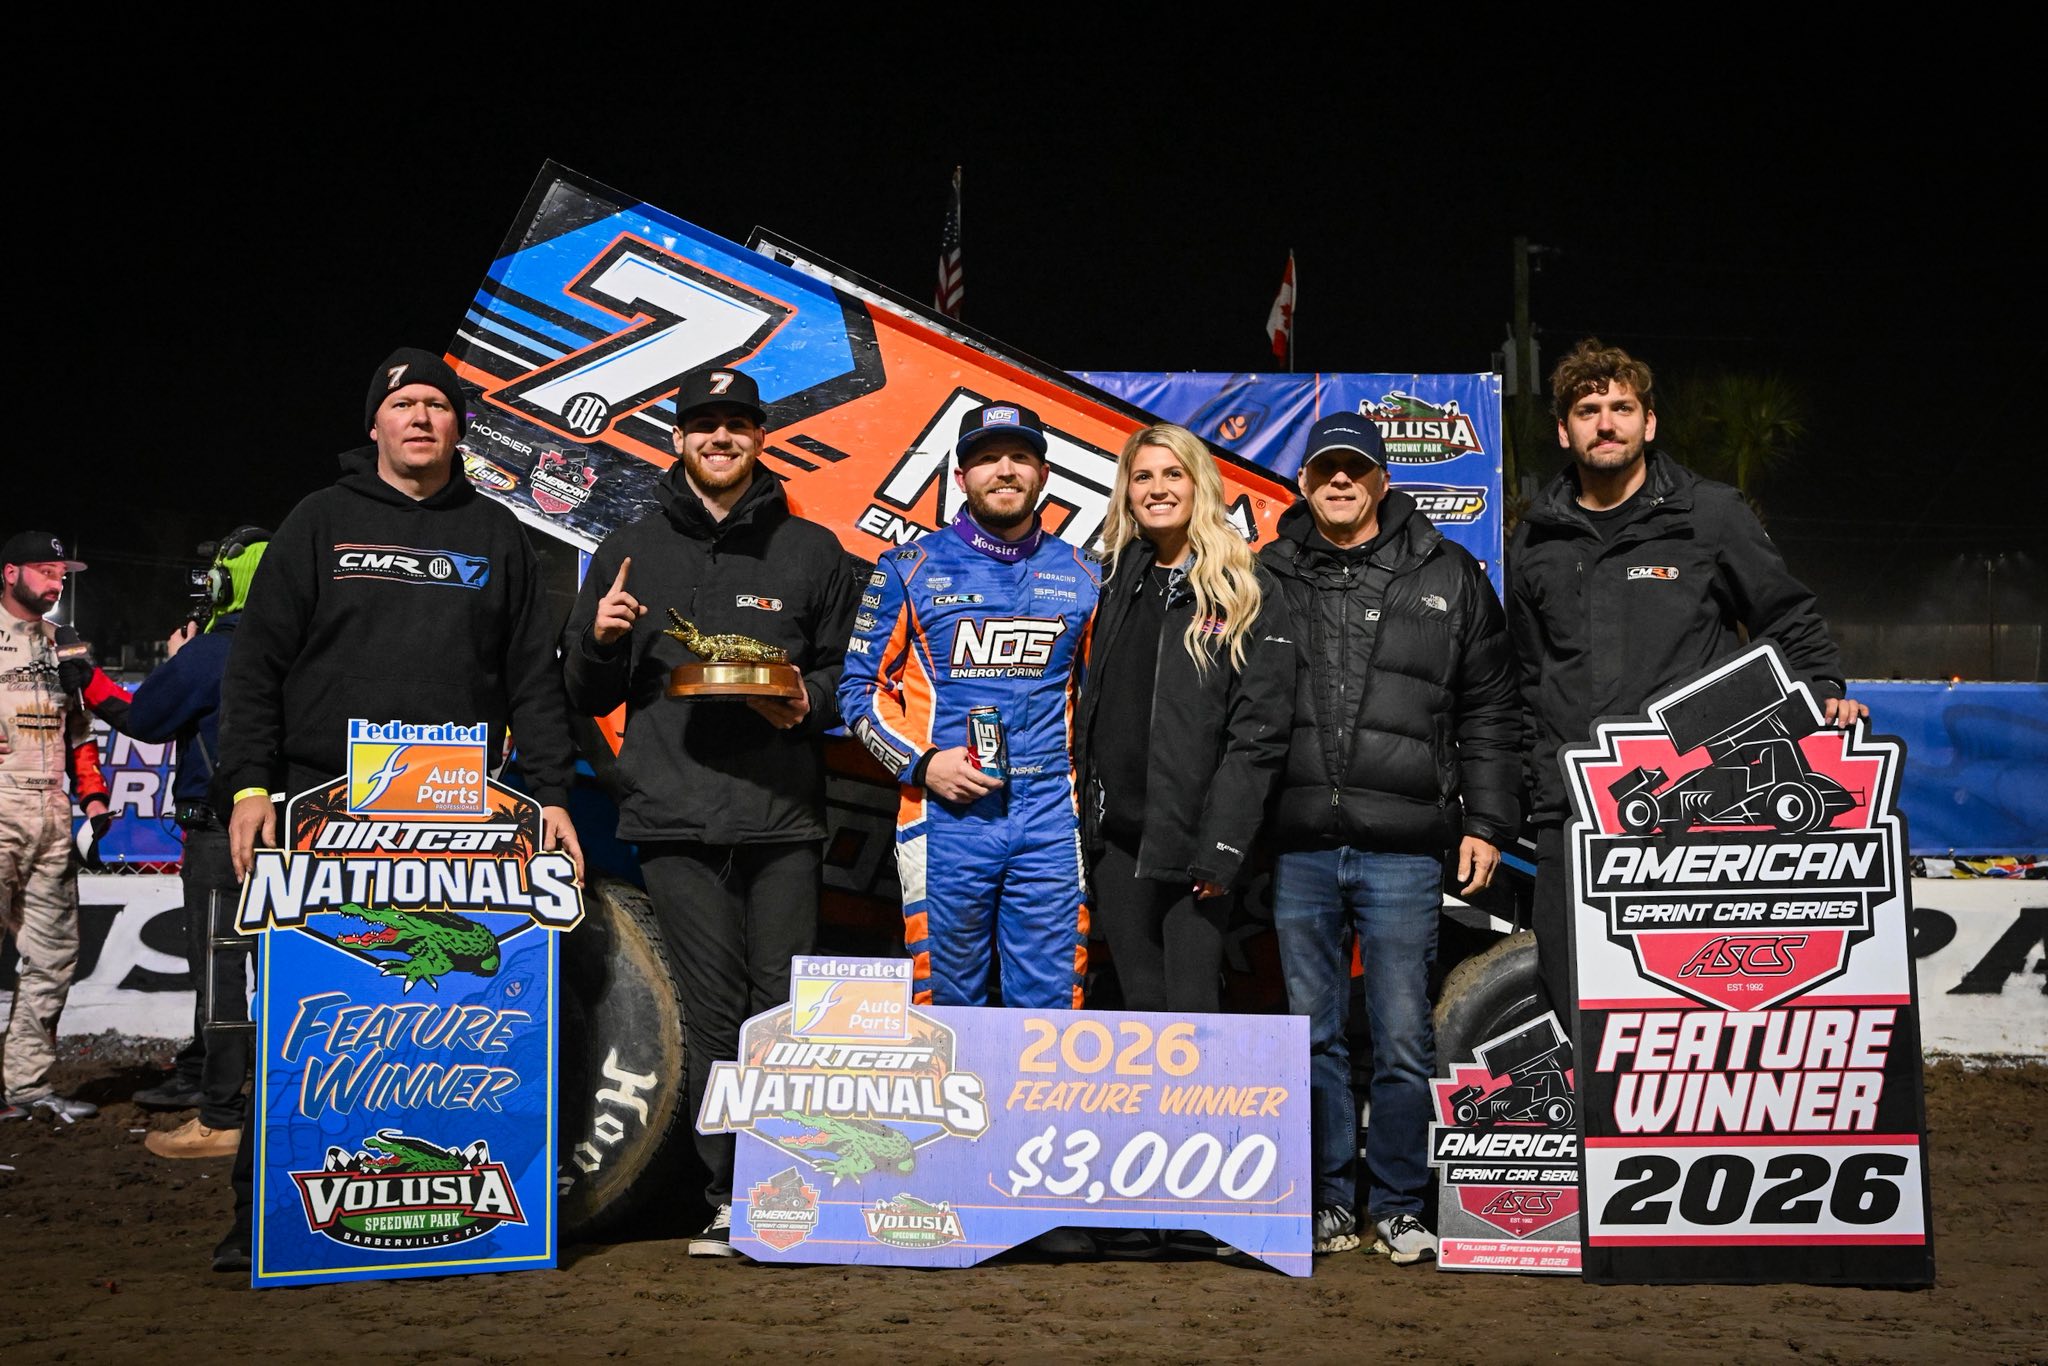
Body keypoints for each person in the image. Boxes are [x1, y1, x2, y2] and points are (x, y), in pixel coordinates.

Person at [207, 347, 584, 1272]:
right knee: (305, 1016)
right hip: (317, 812)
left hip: (464, 818)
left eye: (438, 405)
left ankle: (460, 1204)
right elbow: (254, 667)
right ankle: (264, 1215)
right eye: (402, 403)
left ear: (460, 428)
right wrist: (249, 786)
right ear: (373, 423)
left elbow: (533, 681)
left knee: (451, 1011)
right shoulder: (317, 522)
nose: (420, 417)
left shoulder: (498, 535)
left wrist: (553, 797)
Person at [561, 364, 859, 1260]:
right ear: (679, 439)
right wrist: (600, 638)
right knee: (715, 1012)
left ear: (761, 438)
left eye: (737, 424)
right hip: (675, 819)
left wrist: (805, 694)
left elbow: (857, 673)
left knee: (788, 1009)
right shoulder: (627, 546)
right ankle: (729, 1195)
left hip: (782, 817)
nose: (721, 438)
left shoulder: (813, 551)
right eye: (704, 425)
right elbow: (579, 688)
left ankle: (791, 1182)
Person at [1508, 338, 1866, 1030]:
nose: (1605, 422)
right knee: (1576, 999)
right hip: (1572, 810)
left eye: (1621, 407)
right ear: (1564, 429)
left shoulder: (1710, 515)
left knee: (1683, 1004)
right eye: (1587, 410)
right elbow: (1527, 672)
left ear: (1650, 423)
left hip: (1689, 808)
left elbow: (1787, 616)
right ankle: (1594, 1139)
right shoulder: (1537, 537)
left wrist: (1821, 690)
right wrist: (1535, 776)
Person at [1259, 413, 1518, 1264]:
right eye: (1325, 470)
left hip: (1405, 845)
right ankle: (1330, 1201)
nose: (1340, 483)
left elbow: (1489, 711)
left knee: (1404, 1032)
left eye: (1355, 471)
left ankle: (1400, 1204)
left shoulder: (1449, 572)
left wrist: (1486, 820)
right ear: (1304, 482)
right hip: (1296, 841)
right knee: (1312, 1032)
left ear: (1380, 481)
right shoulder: (1265, 574)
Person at [840, 401, 1102, 1012]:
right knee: (946, 1004)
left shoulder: (1086, 573)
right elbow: (857, 690)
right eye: (986, 459)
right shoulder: (910, 568)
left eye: (1019, 458)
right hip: (945, 817)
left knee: (1054, 1008)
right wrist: (924, 763)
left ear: (1043, 475)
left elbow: (1102, 702)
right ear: (959, 477)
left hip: (1049, 820)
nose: (1003, 471)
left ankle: (1045, 1113)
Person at [1074, 423, 1293, 1014]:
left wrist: (1222, 844)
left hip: (1195, 844)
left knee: (1193, 1015)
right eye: (1142, 476)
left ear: (1201, 485)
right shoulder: (1114, 579)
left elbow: (1260, 736)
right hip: (1117, 843)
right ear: (1126, 491)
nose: (1158, 489)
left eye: (1174, 474)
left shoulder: (1246, 587)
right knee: (1140, 1010)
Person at [116, 527, 270, 1157]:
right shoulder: (308, 647)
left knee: (222, 972)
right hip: (302, 835)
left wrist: (186, 653)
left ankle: (221, 1116)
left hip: (219, 834)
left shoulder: (213, 653)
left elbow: (147, 718)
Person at [0, 531, 114, 1123]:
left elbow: (81, 738)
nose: (56, 582)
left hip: (53, 811)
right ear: (10, 572)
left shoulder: (63, 646)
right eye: (45, 571)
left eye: (62, 574)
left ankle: (26, 1085)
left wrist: (94, 803)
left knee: (55, 955)